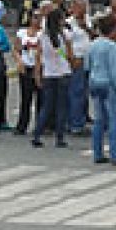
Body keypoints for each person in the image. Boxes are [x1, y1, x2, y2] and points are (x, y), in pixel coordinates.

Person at [87, 14, 116, 167]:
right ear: (112, 30)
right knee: (114, 119)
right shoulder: (112, 46)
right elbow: (114, 72)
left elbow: (87, 65)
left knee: (99, 120)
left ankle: (98, 153)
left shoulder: (93, 44)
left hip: (94, 81)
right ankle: (115, 154)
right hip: (108, 84)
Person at [33, 8, 73, 149]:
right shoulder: (65, 36)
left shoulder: (42, 36)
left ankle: (37, 134)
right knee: (61, 107)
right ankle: (59, 137)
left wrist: (37, 74)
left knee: (47, 106)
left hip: (48, 73)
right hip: (63, 72)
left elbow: (38, 57)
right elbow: (69, 55)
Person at [66, 0, 93, 136]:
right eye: (78, 7)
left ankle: (82, 120)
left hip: (89, 60)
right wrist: (70, 59)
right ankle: (74, 123)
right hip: (76, 60)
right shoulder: (68, 23)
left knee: (84, 93)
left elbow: (94, 36)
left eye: (84, 7)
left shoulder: (89, 20)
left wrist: (86, 27)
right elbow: (63, 43)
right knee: (75, 92)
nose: (81, 10)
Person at [13, 10, 42, 135]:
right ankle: (22, 125)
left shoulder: (43, 34)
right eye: (35, 17)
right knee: (26, 98)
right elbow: (16, 49)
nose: (37, 20)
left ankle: (40, 125)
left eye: (39, 17)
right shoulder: (22, 33)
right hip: (26, 66)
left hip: (40, 68)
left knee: (41, 98)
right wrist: (19, 61)